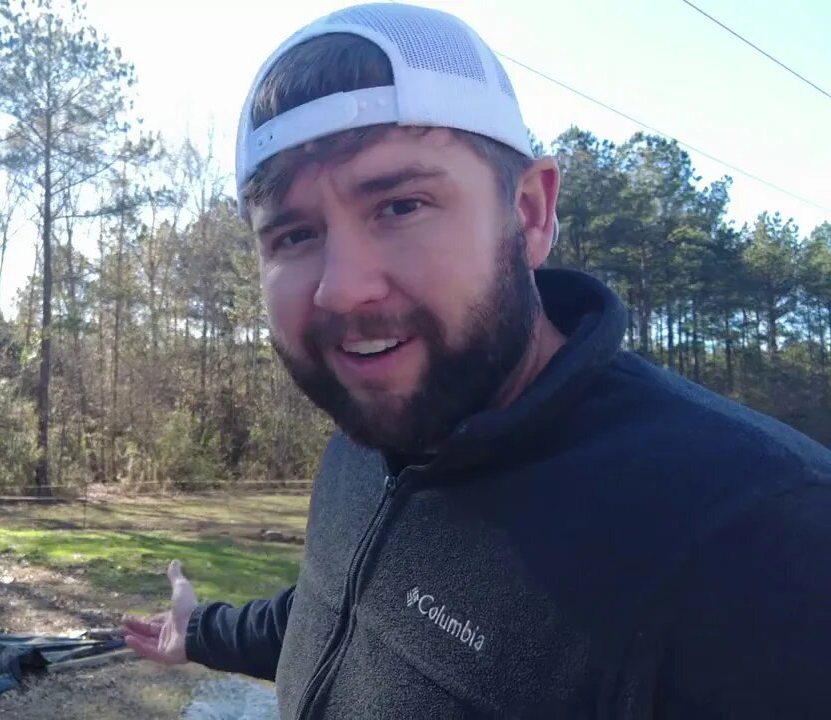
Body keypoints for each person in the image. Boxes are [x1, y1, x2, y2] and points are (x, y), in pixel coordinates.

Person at [120, 3, 831, 718]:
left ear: (528, 213)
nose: (341, 287)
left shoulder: (764, 539)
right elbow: (341, 610)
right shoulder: (367, 441)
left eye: (400, 206)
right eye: (294, 234)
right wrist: (201, 629)